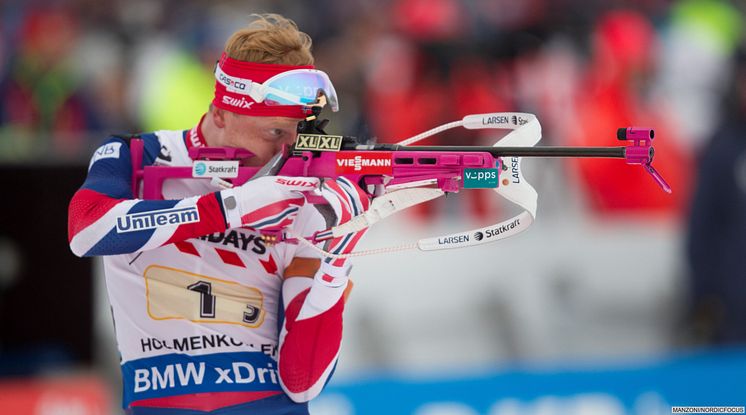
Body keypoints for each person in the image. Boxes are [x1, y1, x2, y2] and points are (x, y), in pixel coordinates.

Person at [68, 14, 369, 414]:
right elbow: (86, 230)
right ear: (222, 114)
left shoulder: (304, 195)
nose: (289, 152)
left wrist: (339, 257)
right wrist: (234, 207)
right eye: (275, 133)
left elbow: (302, 382)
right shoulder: (140, 156)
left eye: (298, 134)